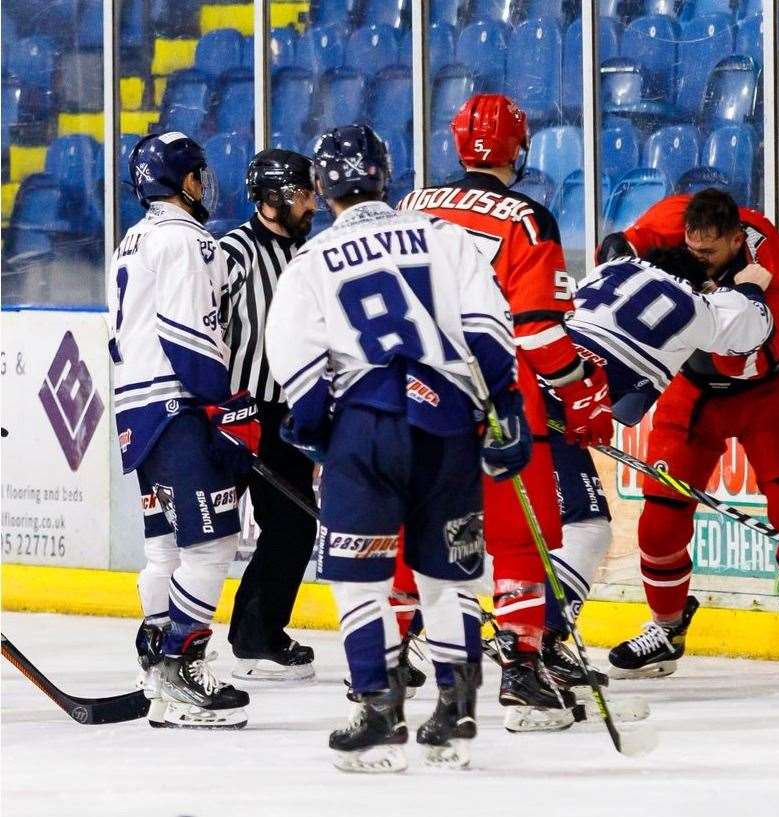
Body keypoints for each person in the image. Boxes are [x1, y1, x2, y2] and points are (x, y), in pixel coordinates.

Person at [265, 123, 530, 771]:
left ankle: (381, 713)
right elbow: (489, 332)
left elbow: (297, 365)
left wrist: (317, 433)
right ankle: (456, 713)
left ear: (322, 186)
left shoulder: (310, 261)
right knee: (448, 575)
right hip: (446, 424)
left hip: (367, 421)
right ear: (383, 175)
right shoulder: (445, 236)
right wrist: (506, 408)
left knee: (359, 579)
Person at [597, 189, 779, 680]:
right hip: (693, 392)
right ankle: (666, 628)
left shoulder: (774, 265)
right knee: (659, 522)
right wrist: (621, 258)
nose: (697, 257)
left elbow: (741, 347)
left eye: (708, 253)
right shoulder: (675, 221)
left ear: (734, 239)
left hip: (764, 394)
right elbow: (619, 250)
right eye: (691, 249)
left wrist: (710, 299)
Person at [397, 94, 613, 712]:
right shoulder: (527, 218)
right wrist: (579, 392)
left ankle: (382, 668)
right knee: (521, 536)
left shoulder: (411, 207)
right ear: (518, 148)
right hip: (494, 399)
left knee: (417, 530)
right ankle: (521, 670)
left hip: (412, 392)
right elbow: (539, 330)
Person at [534, 246, 776, 686]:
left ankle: (397, 635)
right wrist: (749, 290)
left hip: (506, 389)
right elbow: (747, 328)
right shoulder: (693, 306)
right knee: (587, 528)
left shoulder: (608, 269)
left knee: (460, 519)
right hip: (549, 410)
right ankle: (539, 642)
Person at [109, 131, 258, 728]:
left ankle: (156, 666)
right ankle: (180, 668)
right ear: (181, 181)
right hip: (177, 406)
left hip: (140, 410)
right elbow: (186, 332)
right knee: (212, 544)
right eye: (196, 173)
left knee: (164, 547)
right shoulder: (186, 240)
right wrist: (221, 404)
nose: (204, 182)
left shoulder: (135, 237)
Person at [219, 149, 320, 682]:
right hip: (231, 411)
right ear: (272, 199)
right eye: (303, 194)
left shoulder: (313, 253)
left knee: (294, 522)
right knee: (203, 535)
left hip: (285, 412)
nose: (312, 203)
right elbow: (202, 328)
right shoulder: (230, 253)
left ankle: (257, 637)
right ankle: (167, 638)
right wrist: (209, 403)